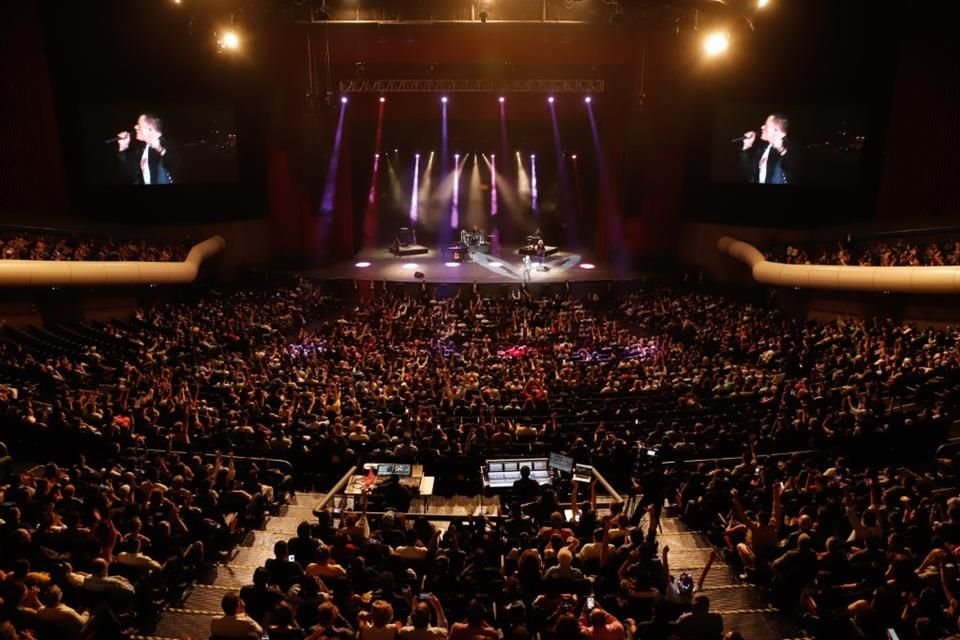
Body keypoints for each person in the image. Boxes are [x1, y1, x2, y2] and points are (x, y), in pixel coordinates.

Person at [116, 113, 179, 185]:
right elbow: (131, 173)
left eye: (139, 125)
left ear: (150, 129)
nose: (135, 127)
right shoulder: (142, 149)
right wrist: (123, 148)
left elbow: (178, 168)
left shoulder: (169, 145)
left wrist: (160, 149)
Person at [739, 113, 791, 185]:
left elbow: (792, 171)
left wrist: (781, 150)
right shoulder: (763, 149)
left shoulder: (789, 149)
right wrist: (746, 147)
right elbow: (750, 176)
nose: (762, 127)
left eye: (766, 125)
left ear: (777, 130)